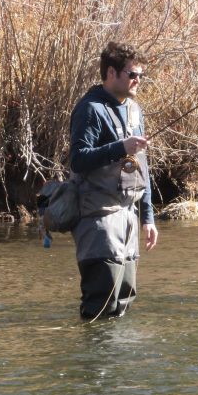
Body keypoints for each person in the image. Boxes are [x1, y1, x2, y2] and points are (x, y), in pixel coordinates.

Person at [69, 42, 158, 319]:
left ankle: (118, 361)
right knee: (101, 301)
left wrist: (148, 217)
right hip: (99, 218)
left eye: (141, 76)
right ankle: (95, 360)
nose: (138, 81)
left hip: (128, 217)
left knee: (125, 297)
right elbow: (79, 159)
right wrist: (121, 147)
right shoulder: (90, 109)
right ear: (111, 73)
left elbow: (141, 167)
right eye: (132, 74)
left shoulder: (134, 110)